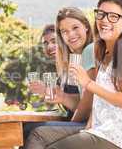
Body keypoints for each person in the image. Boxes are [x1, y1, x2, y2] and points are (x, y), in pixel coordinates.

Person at [25, 0, 122, 149]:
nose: (105, 20)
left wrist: (87, 83)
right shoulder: (107, 52)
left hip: (120, 137)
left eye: (113, 16)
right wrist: (89, 126)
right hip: (103, 131)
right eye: (101, 14)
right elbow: (101, 103)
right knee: (38, 136)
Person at [25, 8, 95, 142]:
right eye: (65, 31)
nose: (71, 34)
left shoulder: (91, 51)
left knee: (31, 130)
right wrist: (58, 96)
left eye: (75, 27)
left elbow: (88, 104)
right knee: (27, 128)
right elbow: (81, 101)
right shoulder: (70, 61)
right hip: (82, 121)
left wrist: (70, 127)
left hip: (91, 124)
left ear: (86, 26)